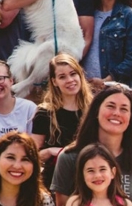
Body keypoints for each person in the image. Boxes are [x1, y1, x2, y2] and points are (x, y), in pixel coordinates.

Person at [0, 0, 95, 58]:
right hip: (27, 52)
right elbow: (8, 4)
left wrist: (67, 64)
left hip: (63, 59)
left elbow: (86, 36)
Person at [31, 53, 93, 188]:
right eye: (62, 77)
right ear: (54, 82)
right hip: (54, 180)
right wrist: (50, 151)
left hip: (89, 179)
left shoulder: (94, 110)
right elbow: (32, 154)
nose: (70, 80)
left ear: (80, 74)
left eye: (73, 74)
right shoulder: (44, 113)